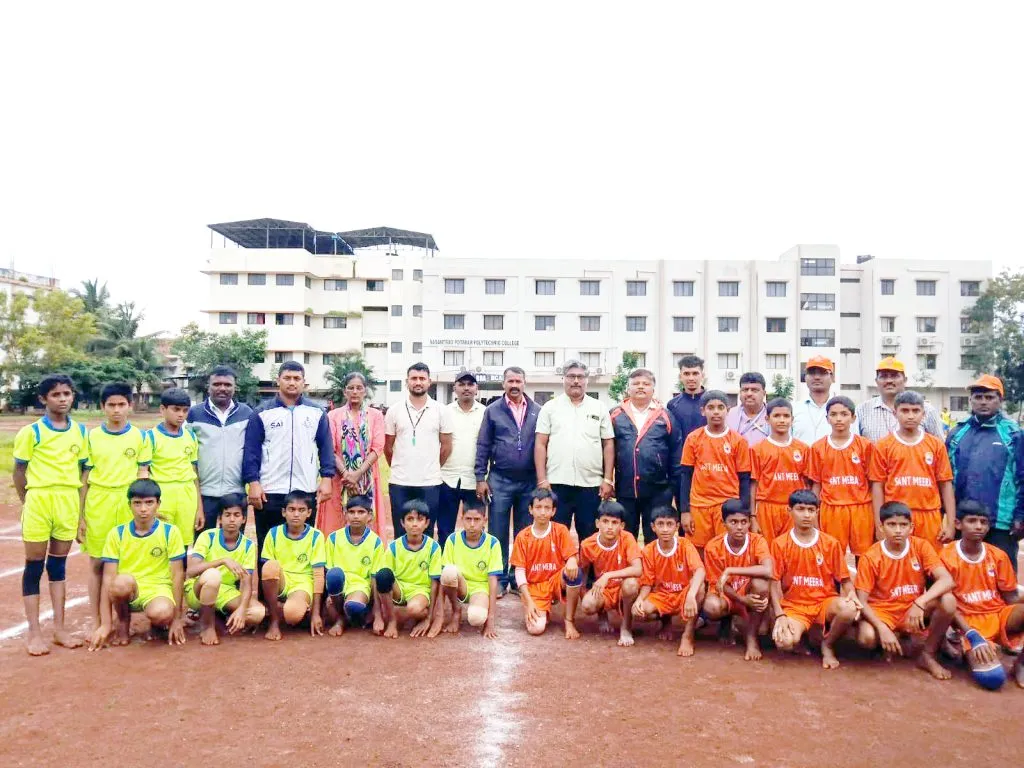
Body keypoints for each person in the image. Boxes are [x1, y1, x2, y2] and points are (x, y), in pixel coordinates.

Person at [13, 374, 89, 656]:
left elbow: (84, 470)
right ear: (43, 399)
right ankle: (34, 632)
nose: (63, 399)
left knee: (58, 567)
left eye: (67, 394)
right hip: (40, 500)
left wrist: (80, 513)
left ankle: (59, 629)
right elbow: (19, 471)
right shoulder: (31, 432)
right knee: (33, 566)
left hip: (67, 500)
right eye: (56, 395)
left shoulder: (80, 432)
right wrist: (28, 500)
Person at [244, 361, 335, 564]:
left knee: (303, 543)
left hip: (305, 488)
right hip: (270, 490)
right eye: (287, 378)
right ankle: (268, 593)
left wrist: (327, 478)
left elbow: (326, 447)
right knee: (268, 544)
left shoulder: (317, 413)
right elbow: (251, 452)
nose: (292, 382)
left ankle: (301, 587)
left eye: (297, 378)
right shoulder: (261, 413)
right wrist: (254, 483)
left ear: (304, 383)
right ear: (278, 381)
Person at [853, 501, 956, 679]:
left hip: (911, 611)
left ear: (911, 527)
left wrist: (920, 601)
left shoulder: (921, 546)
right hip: (882, 613)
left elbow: (947, 579)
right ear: (881, 527)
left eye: (903, 525)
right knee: (867, 638)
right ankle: (887, 637)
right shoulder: (870, 557)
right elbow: (861, 601)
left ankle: (927, 654)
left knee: (948, 600)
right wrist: (881, 627)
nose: (898, 530)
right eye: (892, 525)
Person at [80, 382, 151, 630]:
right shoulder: (91, 437)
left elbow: (144, 473)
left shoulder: (141, 436)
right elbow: (84, 479)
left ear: (130, 406)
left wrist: (145, 509)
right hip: (99, 503)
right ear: (103, 407)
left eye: (122, 404)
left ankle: (123, 621)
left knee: (126, 563)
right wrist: (81, 516)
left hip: (128, 503)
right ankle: (98, 621)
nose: (117, 410)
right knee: (98, 563)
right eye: (111, 405)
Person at [89, 479, 187, 650]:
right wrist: (105, 624)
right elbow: (108, 580)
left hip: (158, 589)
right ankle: (122, 621)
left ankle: (159, 624)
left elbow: (177, 576)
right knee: (120, 583)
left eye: (149, 503)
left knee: (162, 613)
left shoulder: (170, 532)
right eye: (137, 503)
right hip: (130, 589)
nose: (143, 509)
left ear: (158, 504)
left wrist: (177, 618)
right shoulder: (116, 534)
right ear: (129, 505)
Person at [769, 489, 861, 669]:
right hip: (794, 605)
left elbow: (844, 579)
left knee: (849, 609)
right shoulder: (779, 544)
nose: (806, 515)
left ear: (817, 512)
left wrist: (852, 595)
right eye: (800, 509)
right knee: (784, 642)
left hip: (823, 602)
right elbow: (774, 583)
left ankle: (827, 645)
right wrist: (779, 614)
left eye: (811, 510)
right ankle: (805, 635)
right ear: (789, 511)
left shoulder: (830, 543)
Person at [940, 500, 1024, 689]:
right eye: (972, 521)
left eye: (983, 522)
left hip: (998, 615)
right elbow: (946, 604)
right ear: (958, 524)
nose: (978, 526)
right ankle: (968, 649)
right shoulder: (946, 557)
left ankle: (1021, 664)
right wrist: (972, 636)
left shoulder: (998, 555)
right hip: (969, 623)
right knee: (992, 679)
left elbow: (1010, 597)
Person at [946, 375, 1024, 571]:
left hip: (1000, 521)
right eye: (978, 397)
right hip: (963, 520)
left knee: (1002, 578)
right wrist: (947, 516)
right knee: (962, 575)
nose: (983, 402)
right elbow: (946, 478)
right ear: (970, 400)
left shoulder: (1014, 434)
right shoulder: (957, 433)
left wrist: (1021, 516)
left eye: (989, 397)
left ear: (1000, 400)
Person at [476, 366, 542, 595]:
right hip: (500, 480)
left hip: (528, 481)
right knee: (498, 531)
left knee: (524, 532)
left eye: (518, 381)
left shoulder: (537, 410)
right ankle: (501, 580)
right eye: (510, 381)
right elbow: (483, 444)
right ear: (503, 384)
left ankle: (518, 577)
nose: (514, 385)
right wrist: (480, 476)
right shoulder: (493, 410)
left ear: (525, 383)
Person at [535, 360, 614, 545]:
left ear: (587, 380)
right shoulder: (550, 408)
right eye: (571, 376)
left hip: (591, 484)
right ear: (563, 379)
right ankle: (556, 574)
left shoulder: (599, 408)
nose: (576, 381)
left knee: (589, 534)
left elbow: (608, 444)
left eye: (580, 377)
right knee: (556, 534)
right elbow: (540, 444)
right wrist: (542, 480)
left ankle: (589, 575)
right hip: (556, 483)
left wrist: (608, 479)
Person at [868, 391, 956, 550]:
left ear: (923, 414)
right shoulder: (883, 445)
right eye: (905, 410)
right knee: (897, 566)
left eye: (915, 411)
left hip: (928, 516)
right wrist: (878, 524)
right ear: (895, 413)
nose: (910, 416)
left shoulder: (935, 445)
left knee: (929, 567)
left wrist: (950, 523)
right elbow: (877, 486)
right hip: (896, 518)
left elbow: (945, 484)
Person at [608, 368, 683, 543]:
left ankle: (652, 570)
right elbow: (606, 449)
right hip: (625, 489)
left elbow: (675, 453)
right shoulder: (615, 414)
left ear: (653, 389)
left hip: (658, 491)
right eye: (636, 383)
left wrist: (672, 487)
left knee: (654, 537)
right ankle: (629, 570)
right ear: (628, 388)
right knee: (626, 537)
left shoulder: (665, 415)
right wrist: (608, 480)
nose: (641, 387)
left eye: (646, 384)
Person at [184, 494, 266, 645]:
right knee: (213, 576)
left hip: (225, 591)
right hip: (197, 590)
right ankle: (207, 626)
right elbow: (191, 571)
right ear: (220, 519)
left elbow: (247, 583)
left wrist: (242, 609)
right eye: (227, 515)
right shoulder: (207, 536)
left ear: (243, 519)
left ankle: (217, 615)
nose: (232, 519)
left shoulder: (248, 545)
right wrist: (222, 561)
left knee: (257, 613)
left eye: (236, 515)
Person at [383, 363, 454, 537]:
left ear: (429, 382)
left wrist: (432, 466)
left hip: (430, 482)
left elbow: (446, 446)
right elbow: (388, 447)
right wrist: (401, 467)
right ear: (407, 382)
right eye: (414, 378)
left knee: (427, 531)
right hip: (400, 482)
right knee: (401, 531)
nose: (418, 382)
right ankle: (401, 564)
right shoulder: (394, 410)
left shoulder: (441, 411)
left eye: (422, 379)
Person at [679, 390, 751, 553]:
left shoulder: (738, 441)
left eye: (720, 407)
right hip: (699, 505)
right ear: (703, 411)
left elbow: (744, 478)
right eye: (711, 407)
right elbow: (685, 475)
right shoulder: (693, 438)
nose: (716, 411)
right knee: (698, 551)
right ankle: (702, 580)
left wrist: (744, 511)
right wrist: (685, 511)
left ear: (728, 410)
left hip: (726, 505)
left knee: (726, 550)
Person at [701, 499, 773, 661]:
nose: (739, 527)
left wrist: (731, 570)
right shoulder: (713, 547)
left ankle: (751, 638)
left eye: (743, 522)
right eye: (733, 522)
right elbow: (718, 584)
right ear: (723, 523)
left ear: (749, 523)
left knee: (761, 584)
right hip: (728, 594)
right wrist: (742, 599)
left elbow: (768, 570)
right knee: (711, 606)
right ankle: (726, 620)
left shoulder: (757, 540)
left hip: (749, 591)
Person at [510, 488, 584, 639]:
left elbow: (571, 556)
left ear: (553, 511)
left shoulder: (560, 530)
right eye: (538, 507)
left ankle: (569, 620)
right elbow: (519, 571)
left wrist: (571, 560)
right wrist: (529, 601)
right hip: (534, 587)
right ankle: (541, 608)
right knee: (535, 628)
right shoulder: (523, 537)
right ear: (530, 509)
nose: (542, 512)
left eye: (547, 508)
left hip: (556, 581)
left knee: (575, 573)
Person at [805, 396, 874, 558]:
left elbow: (873, 482)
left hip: (861, 508)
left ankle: (862, 584)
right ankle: (833, 585)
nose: (839, 419)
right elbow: (816, 484)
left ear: (853, 417)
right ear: (827, 418)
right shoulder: (817, 448)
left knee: (864, 556)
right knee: (831, 554)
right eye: (834, 414)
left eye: (844, 414)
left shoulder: (865, 446)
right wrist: (814, 512)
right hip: (832, 509)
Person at [632, 506, 706, 657]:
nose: (665, 529)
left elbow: (700, 571)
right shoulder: (648, 550)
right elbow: (647, 582)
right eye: (660, 524)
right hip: (663, 595)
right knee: (641, 612)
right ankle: (665, 623)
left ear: (677, 526)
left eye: (669, 524)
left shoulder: (685, 545)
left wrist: (691, 595)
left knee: (699, 588)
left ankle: (688, 635)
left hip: (683, 594)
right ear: (653, 527)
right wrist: (639, 600)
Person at [186, 365, 253, 532]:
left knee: (234, 545)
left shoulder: (247, 413)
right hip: (204, 494)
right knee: (203, 543)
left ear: (235, 387)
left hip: (236, 493)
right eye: (216, 384)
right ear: (208, 387)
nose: (222, 388)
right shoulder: (194, 414)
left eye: (227, 384)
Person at [320, 372, 386, 536]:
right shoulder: (333, 416)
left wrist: (358, 473)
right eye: (351, 388)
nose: (355, 392)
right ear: (345, 392)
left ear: (365, 391)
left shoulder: (375, 415)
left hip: (367, 478)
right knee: (337, 523)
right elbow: (330, 448)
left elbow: (378, 447)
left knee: (367, 520)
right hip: (339, 478)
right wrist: (346, 474)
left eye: (359, 388)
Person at [260, 490, 327, 641]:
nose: (296, 514)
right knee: (269, 567)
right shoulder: (273, 533)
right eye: (292, 510)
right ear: (284, 512)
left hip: (302, 584)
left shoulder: (316, 536)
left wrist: (316, 614)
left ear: (309, 513)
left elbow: (318, 576)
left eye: (301, 510)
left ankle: (303, 610)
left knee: (292, 615)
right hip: (282, 580)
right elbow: (267, 571)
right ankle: (274, 620)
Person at [577, 500, 643, 647]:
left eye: (614, 522)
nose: (610, 527)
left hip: (623, 588)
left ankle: (626, 627)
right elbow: (583, 575)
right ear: (597, 523)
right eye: (605, 521)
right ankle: (603, 615)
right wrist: (584, 596)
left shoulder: (627, 538)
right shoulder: (588, 545)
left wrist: (607, 575)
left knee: (631, 584)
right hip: (604, 590)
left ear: (622, 526)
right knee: (587, 605)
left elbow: (638, 569)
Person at [379, 499, 444, 639]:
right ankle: (392, 620)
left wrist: (429, 618)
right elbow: (385, 578)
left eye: (420, 519)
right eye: (410, 519)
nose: (414, 524)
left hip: (420, 591)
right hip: (400, 589)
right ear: (402, 523)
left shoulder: (433, 548)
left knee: (413, 609)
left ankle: (422, 614)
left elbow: (435, 584)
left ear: (426, 523)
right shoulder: (394, 547)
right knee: (383, 575)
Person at [146, 388, 203, 548]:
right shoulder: (150, 437)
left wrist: (199, 507)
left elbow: (194, 474)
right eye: (176, 410)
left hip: (187, 496)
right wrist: (150, 504)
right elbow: (143, 474)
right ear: (163, 409)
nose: (181, 415)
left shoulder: (190, 436)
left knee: (183, 546)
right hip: (163, 496)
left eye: (185, 411)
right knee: (158, 544)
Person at [439, 498, 502, 638]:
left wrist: (490, 620)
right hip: (460, 585)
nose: (472, 524)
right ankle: (456, 611)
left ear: (484, 520)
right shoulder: (452, 540)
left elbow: (493, 583)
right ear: (461, 518)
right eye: (468, 519)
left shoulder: (493, 543)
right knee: (448, 572)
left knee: (476, 618)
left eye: (477, 519)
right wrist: (439, 617)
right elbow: (443, 580)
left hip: (480, 589)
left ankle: (479, 610)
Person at [324, 494, 386, 636]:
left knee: (354, 606)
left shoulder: (375, 542)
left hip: (360, 587)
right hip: (337, 588)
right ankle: (340, 619)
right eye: (351, 512)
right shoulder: (333, 538)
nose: (356, 516)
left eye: (361, 512)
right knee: (334, 576)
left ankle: (361, 614)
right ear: (345, 515)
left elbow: (374, 578)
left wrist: (378, 615)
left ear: (369, 516)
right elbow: (328, 573)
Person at [750, 398, 809, 539]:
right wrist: (753, 516)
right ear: (767, 419)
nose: (782, 420)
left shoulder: (803, 449)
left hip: (795, 508)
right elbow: (753, 484)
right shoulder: (757, 449)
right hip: (767, 508)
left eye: (786, 416)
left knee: (792, 550)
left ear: (792, 419)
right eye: (776, 416)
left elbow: (808, 483)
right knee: (769, 552)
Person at [439, 372, 485, 545]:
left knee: (474, 527)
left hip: (475, 480)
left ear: (476, 389)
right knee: (445, 527)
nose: (466, 388)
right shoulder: (444, 412)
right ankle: (444, 566)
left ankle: (473, 565)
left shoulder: (485, 413)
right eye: (462, 384)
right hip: (446, 478)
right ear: (454, 388)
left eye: (470, 384)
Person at [856, 357, 944, 442]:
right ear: (876, 381)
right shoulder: (862, 410)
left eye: (894, 376)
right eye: (883, 376)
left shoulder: (926, 410)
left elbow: (939, 446)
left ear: (905, 380)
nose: (889, 380)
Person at [792, 356, 854, 444]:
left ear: (832, 377)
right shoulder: (794, 409)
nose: (817, 377)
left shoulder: (845, 409)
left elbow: (853, 442)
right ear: (805, 377)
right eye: (812, 373)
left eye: (822, 373)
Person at [666, 354, 707, 440]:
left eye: (695, 373)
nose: (691, 378)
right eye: (686, 374)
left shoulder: (711, 402)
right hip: (681, 453)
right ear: (680, 377)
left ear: (702, 376)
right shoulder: (672, 405)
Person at [725, 372, 770, 447]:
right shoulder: (728, 415)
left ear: (764, 393)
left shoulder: (774, 414)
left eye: (754, 390)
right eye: (745, 390)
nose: (749, 394)